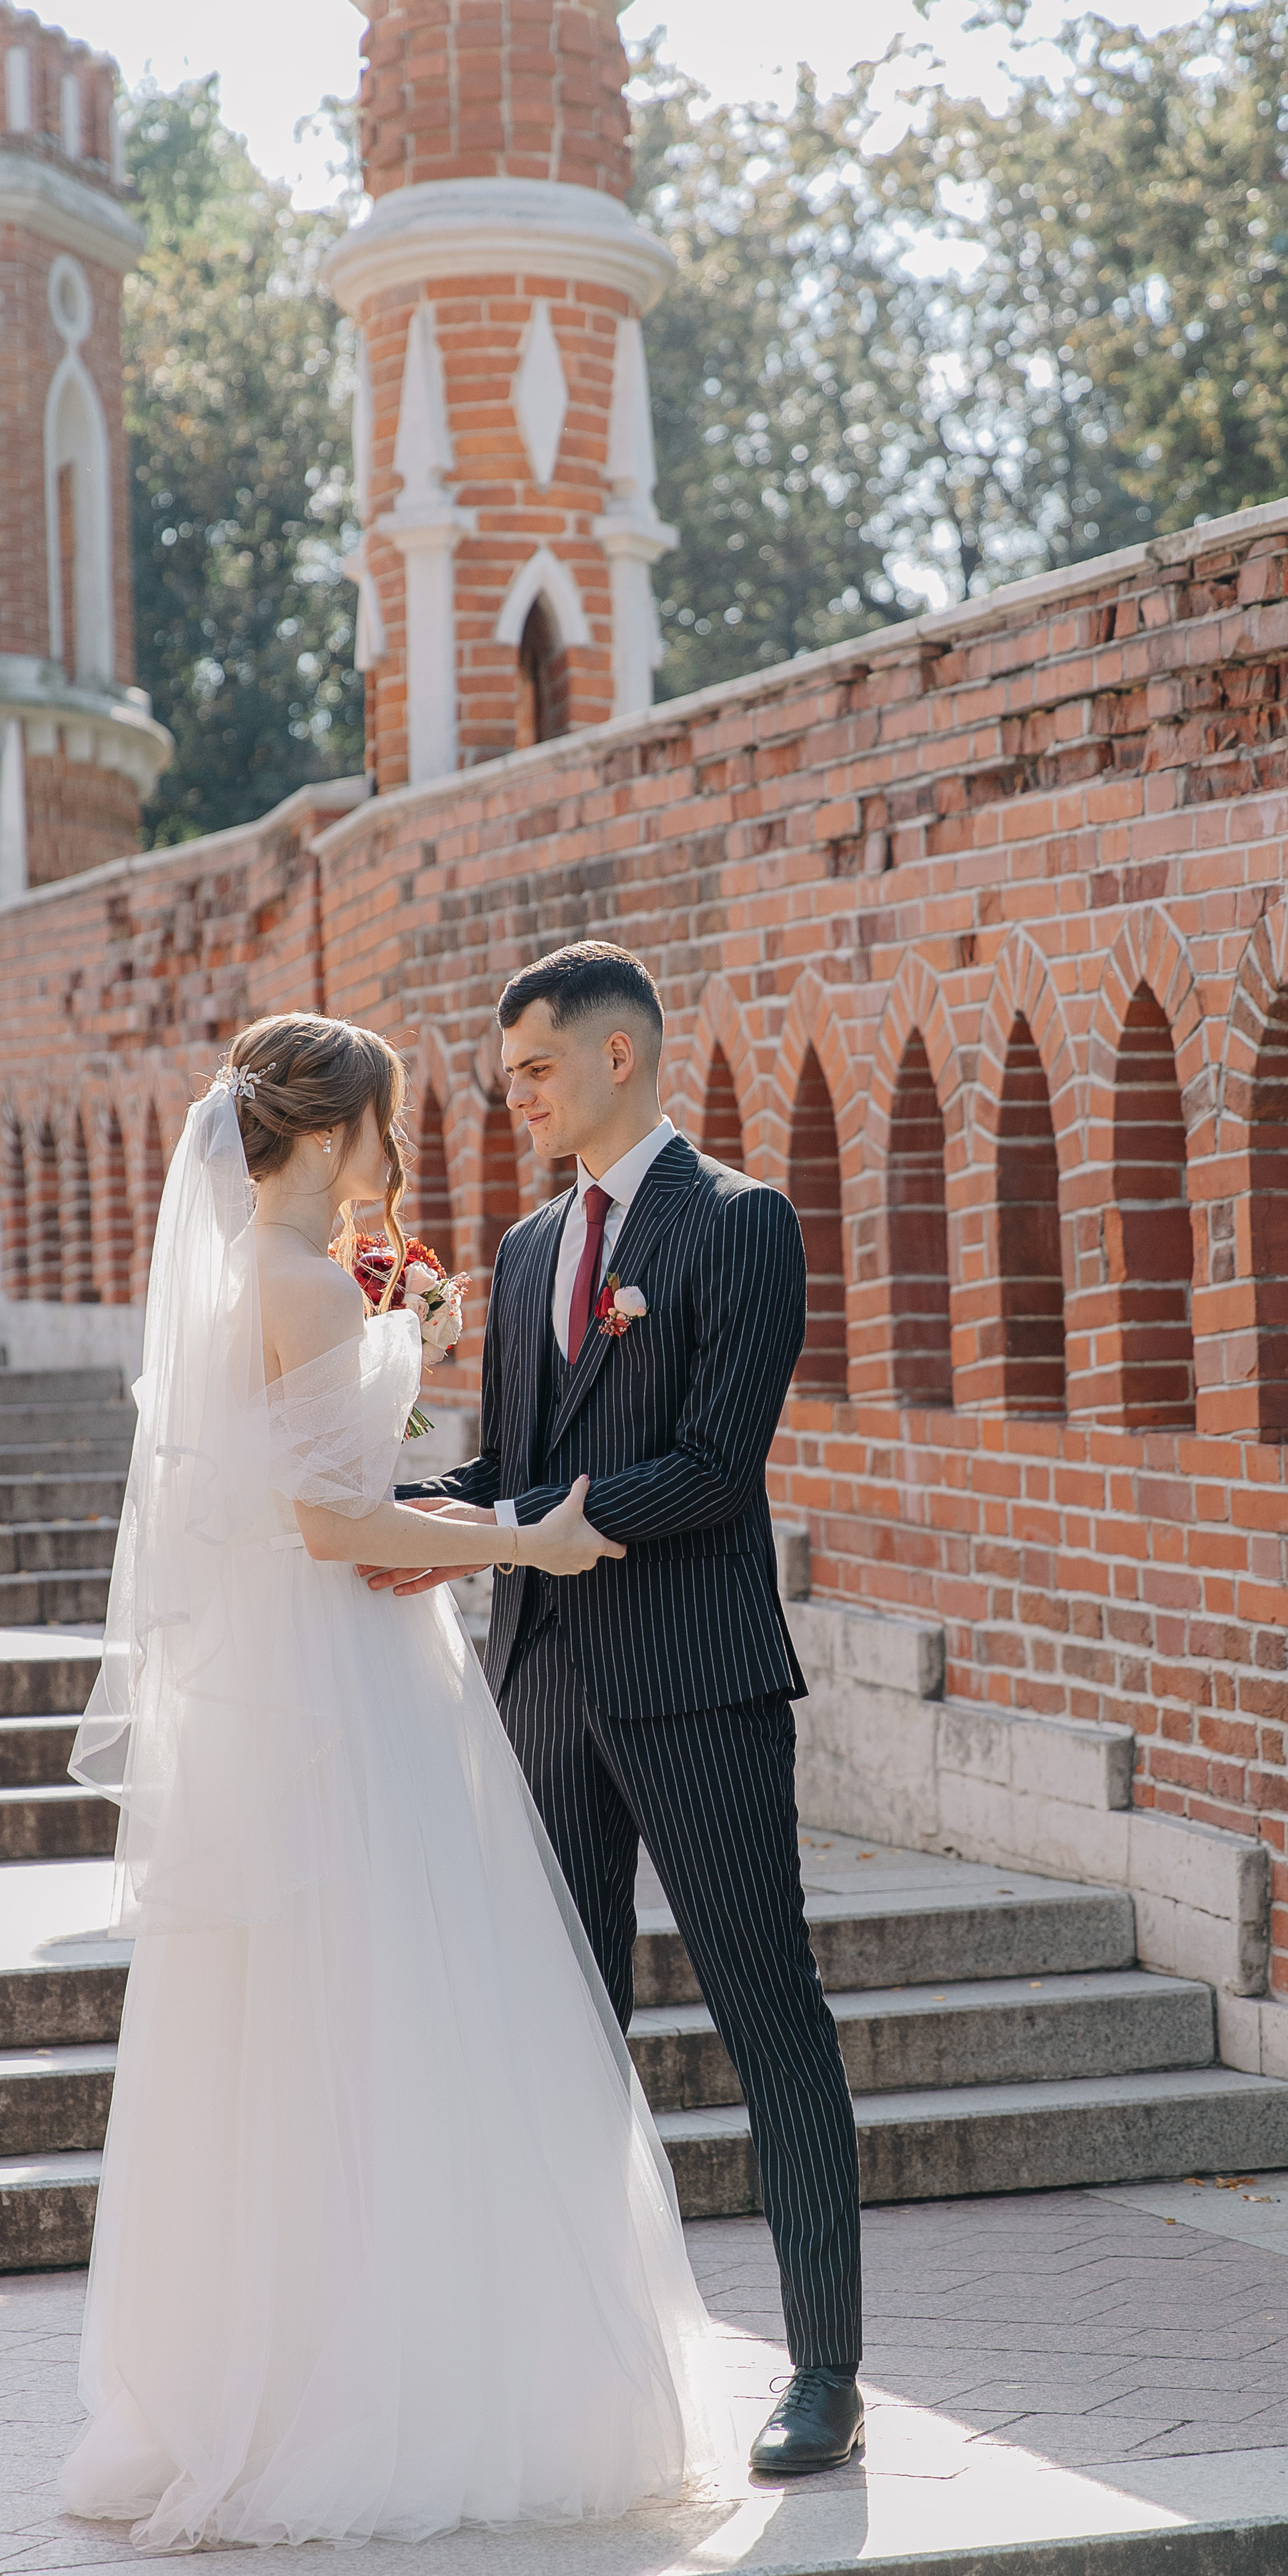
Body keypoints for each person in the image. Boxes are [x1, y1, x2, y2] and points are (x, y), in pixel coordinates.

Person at [57, 1012, 727, 2552]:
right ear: (333, 1127)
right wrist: (524, 1537)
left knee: (324, 2028)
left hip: (326, 1673)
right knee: (398, 2009)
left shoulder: (279, 1280)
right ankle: (383, 2398)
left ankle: (295, 2375)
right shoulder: (292, 1284)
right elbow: (337, 1532)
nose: (396, 1147)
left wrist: (408, 1399)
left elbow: (355, 1486)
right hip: (343, 1693)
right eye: (386, 1122)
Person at [378, 940, 865, 2477]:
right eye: (505, 1070)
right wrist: (380, 1509)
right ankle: (578, 2373)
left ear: (615, 1057)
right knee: (567, 2038)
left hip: (695, 1684)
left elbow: (718, 1468)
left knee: (766, 2022)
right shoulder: (524, 1254)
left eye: (530, 1067)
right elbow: (499, 1462)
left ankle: (824, 2379)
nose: (511, 1094)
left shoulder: (739, 1225)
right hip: (541, 1687)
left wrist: (521, 1516)